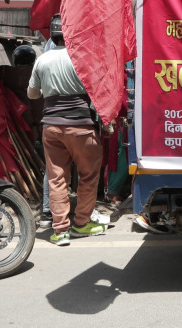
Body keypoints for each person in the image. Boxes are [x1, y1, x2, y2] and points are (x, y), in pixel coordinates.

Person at [27, 15, 107, 246]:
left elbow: (33, 94)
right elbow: (98, 92)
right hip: (83, 126)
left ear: (52, 35)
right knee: (88, 176)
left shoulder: (43, 60)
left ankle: (60, 231)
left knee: (57, 179)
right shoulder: (83, 57)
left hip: (51, 126)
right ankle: (81, 223)